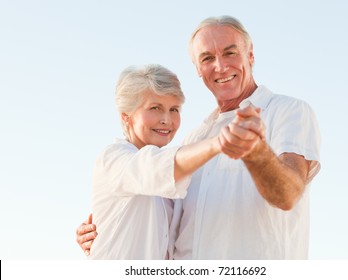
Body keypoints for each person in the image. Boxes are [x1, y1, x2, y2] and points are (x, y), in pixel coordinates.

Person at [77, 15, 321, 259]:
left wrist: (256, 152)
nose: (220, 66)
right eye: (207, 58)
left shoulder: (289, 112)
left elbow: (288, 195)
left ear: (250, 55)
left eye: (230, 53)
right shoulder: (194, 140)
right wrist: (102, 231)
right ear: (198, 69)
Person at [83, 64, 261, 259]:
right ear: (126, 116)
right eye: (155, 108)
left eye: (174, 109)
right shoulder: (113, 158)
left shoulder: (170, 183)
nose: (166, 120)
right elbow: (153, 168)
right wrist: (219, 142)